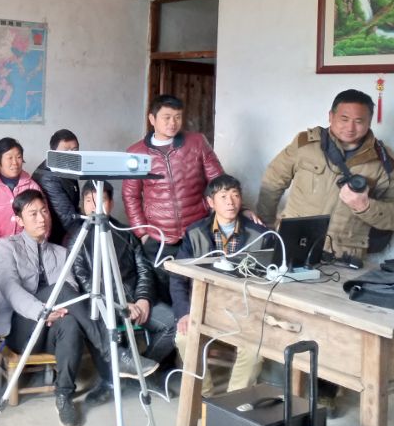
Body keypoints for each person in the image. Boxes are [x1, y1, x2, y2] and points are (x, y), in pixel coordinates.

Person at [0, 190, 154, 426]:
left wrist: (57, 310)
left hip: (54, 326)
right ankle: (112, 352)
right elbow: (10, 288)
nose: (41, 218)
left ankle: (63, 395)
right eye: (33, 214)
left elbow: (71, 291)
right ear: (19, 220)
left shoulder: (60, 253)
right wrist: (41, 310)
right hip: (20, 329)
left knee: (70, 320)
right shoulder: (6, 247)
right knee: (60, 291)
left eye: (44, 211)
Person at [256, 88, 394, 261]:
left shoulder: (384, 161)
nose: (350, 128)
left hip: (343, 256)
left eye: (359, 121)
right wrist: (267, 227)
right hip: (294, 243)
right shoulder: (305, 144)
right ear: (331, 116)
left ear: (369, 122)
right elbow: (273, 181)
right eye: (344, 119)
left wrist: (365, 207)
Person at [171, 175, 270, 396]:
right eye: (223, 196)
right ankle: (205, 396)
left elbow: (268, 279)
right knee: (184, 338)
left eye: (235, 195)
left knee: (254, 350)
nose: (230, 202)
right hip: (205, 308)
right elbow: (178, 278)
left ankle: (233, 402)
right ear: (210, 202)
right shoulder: (195, 233)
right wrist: (183, 313)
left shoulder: (259, 234)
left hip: (244, 310)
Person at [70, 182, 177, 379]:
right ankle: (124, 372)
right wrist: (120, 304)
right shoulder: (76, 239)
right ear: (82, 205)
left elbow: (144, 269)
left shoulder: (125, 233)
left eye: (101, 200)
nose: (95, 207)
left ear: (111, 203)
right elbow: (83, 282)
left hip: (137, 301)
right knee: (99, 328)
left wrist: (143, 298)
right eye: (89, 201)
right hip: (103, 307)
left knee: (174, 324)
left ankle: (140, 368)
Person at [122, 94, 224, 298]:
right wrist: (142, 233)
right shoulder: (136, 152)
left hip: (197, 230)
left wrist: (223, 215)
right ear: (152, 119)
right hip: (158, 236)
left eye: (177, 117)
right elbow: (130, 195)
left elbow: (218, 181)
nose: (173, 123)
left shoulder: (197, 142)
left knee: (200, 289)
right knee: (166, 293)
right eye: (166, 117)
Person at [0, 137, 41, 271]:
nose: (15, 162)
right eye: (9, 158)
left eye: (18, 157)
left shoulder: (33, 187)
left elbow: (43, 222)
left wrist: (30, 252)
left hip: (28, 258)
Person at [31, 128, 82, 244]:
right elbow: (67, 217)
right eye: (65, 151)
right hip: (52, 239)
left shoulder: (66, 169)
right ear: (53, 152)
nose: (71, 155)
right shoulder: (47, 177)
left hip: (65, 232)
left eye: (74, 150)